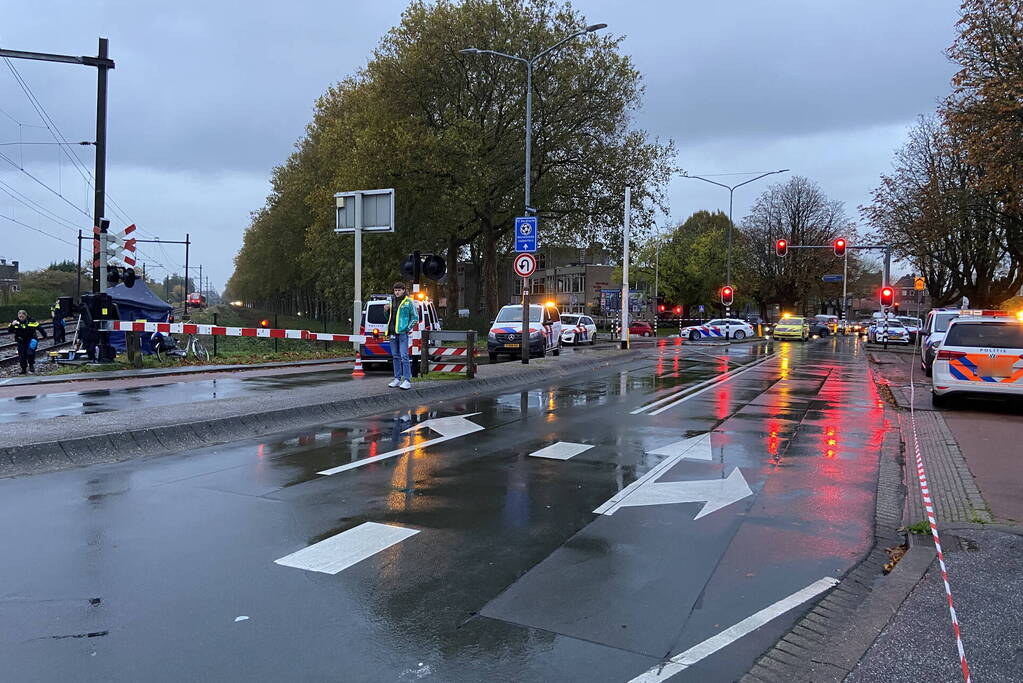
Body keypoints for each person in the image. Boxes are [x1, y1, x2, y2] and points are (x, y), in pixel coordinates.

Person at [384, 281, 416, 389]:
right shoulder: (391, 301)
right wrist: (386, 311)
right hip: (392, 333)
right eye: (395, 290)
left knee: (404, 356)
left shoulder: (408, 302)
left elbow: (415, 317)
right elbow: (389, 318)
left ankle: (407, 380)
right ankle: (397, 379)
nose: (397, 292)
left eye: (399, 290)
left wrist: (407, 328)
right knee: (395, 356)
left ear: (403, 290)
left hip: (402, 333)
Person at [8, 309, 48, 374]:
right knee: (22, 355)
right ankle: (23, 369)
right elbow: (9, 331)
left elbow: (40, 328)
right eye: (20, 317)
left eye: (22, 317)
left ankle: (31, 365)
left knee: (30, 353)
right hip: (21, 340)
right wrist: (12, 325)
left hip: (31, 339)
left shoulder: (31, 321)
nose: (21, 318)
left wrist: (45, 336)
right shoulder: (14, 321)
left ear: (25, 316)